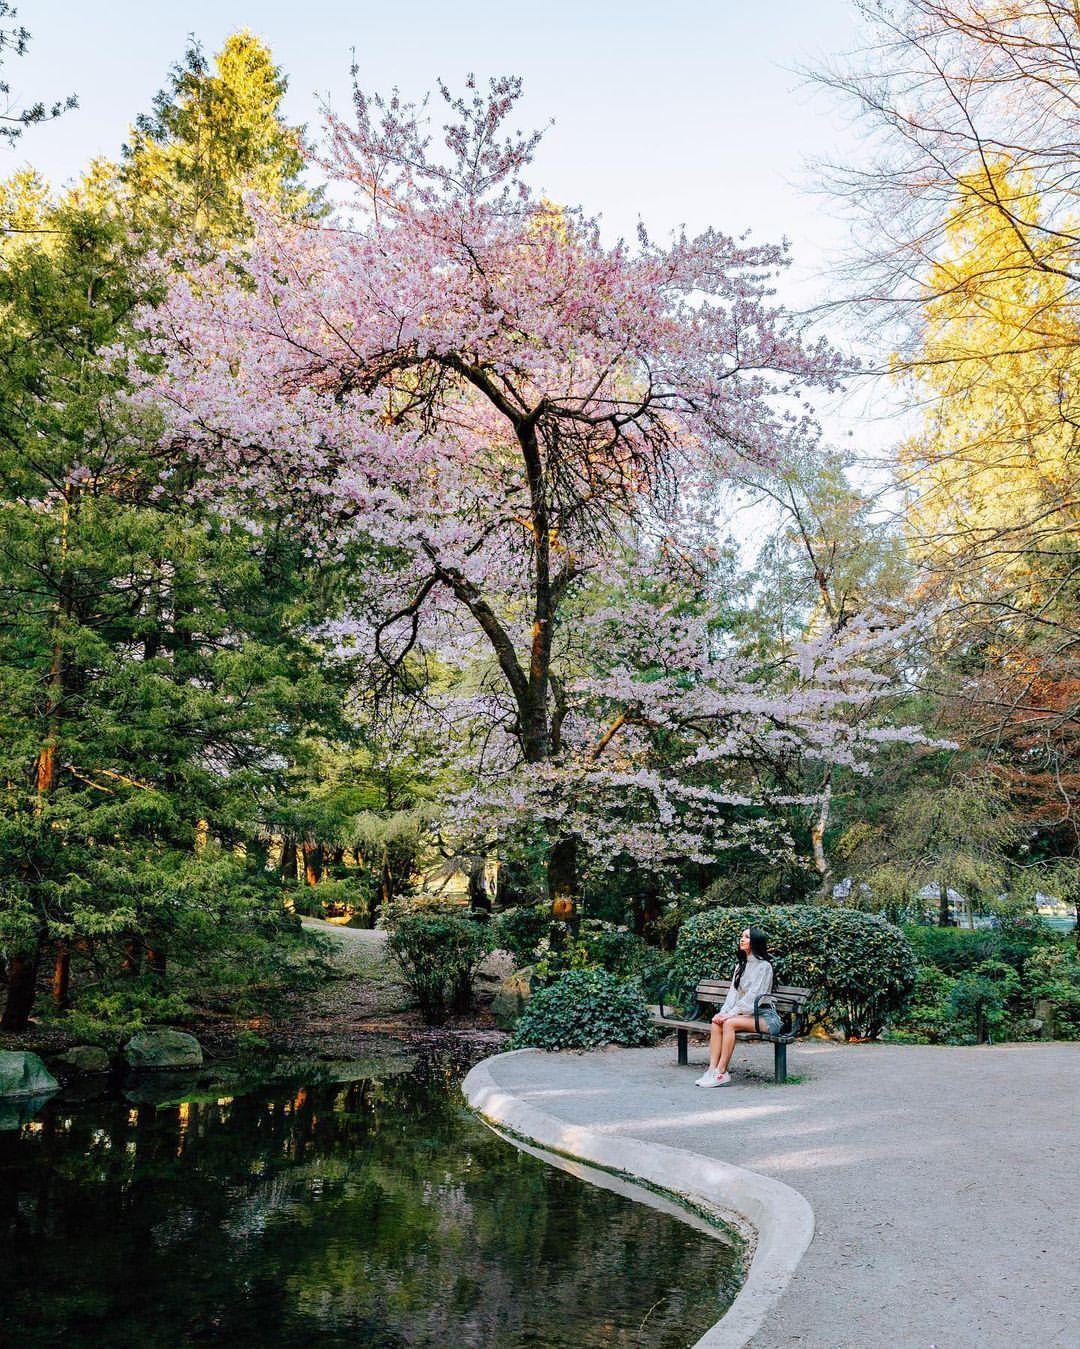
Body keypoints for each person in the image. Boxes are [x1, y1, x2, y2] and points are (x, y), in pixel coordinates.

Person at [695, 926, 780, 1087]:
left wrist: (731, 1015)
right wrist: (723, 1012)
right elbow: (732, 995)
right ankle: (711, 1069)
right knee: (717, 1022)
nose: (742, 939)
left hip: (765, 1017)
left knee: (729, 1023)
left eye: (747, 937)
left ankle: (721, 1073)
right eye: (742, 936)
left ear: (755, 941)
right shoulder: (740, 966)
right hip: (745, 1015)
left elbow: (754, 997)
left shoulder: (764, 966)